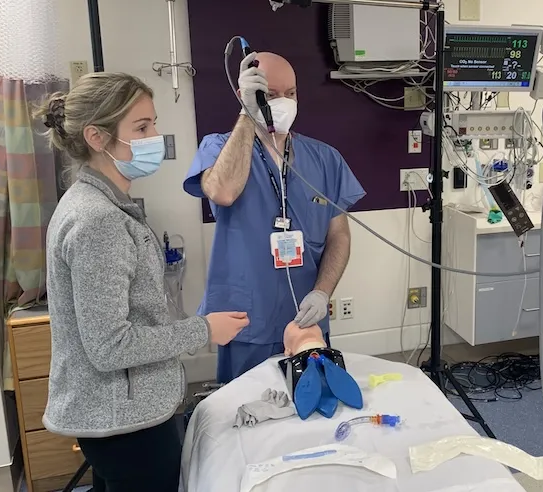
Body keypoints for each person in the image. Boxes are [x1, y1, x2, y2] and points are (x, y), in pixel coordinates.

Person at [40, 72, 250, 492]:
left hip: (119, 415)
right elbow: (109, 345)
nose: (156, 135)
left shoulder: (97, 203)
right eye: (141, 127)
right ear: (97, 137)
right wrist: (204, 329)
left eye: (153, 122)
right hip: (124, 423)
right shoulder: (97, 220)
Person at [184, 52, 366, 383]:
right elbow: (222, 191)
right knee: (248, 415)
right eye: (270, 94)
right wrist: (247, 117)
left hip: (305, 320)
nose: (284, 102)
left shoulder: (324, 159)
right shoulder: (219, 147)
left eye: (291, 93)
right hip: (245, 319)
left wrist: (323, 292)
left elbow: (339, 235)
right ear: (246, 96)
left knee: (310, 406)